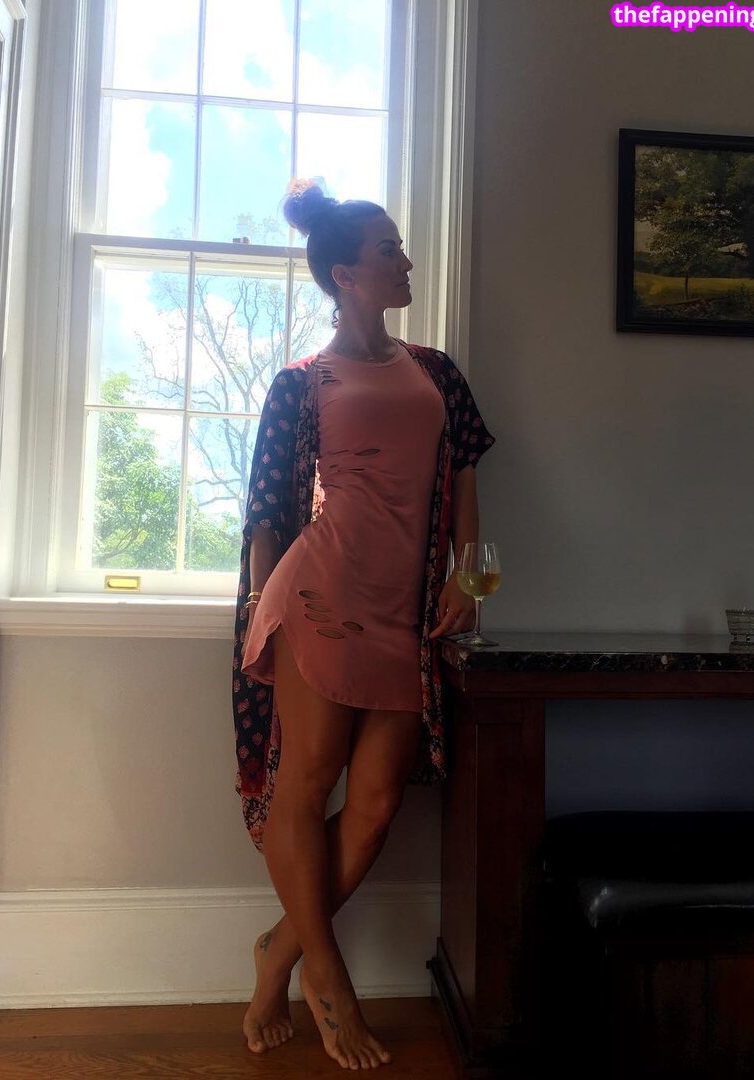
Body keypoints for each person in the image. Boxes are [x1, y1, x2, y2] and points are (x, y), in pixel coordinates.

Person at [231, 178, 495, 1070]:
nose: (406, 261)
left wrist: (472, 580)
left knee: (378, 803)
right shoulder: (302, 381)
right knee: (305, 789)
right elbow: (266, 511)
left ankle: (280, 950)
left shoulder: (438, 371)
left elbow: (466, 477)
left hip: (405, 616)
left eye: (402, 248)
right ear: (345, 275)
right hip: (320, 599)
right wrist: (259, 611)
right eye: (390, 251)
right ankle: (329, 978)